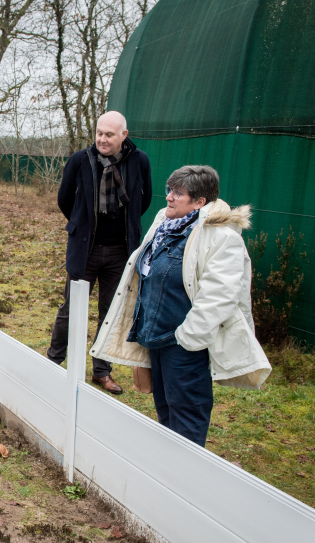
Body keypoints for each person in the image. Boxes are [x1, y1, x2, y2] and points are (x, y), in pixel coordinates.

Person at [89, 165, 271, 447]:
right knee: (166, 412)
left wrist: (187, 338)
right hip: (157, 340)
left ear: (200, 202)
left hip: (184, 346)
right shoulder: (167, 223)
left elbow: (219, 296)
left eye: (179, 193)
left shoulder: (221, 237)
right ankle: (168, 473)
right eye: (169, 190)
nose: (169, 197)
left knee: (187, 417)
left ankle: (185, 479)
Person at [48, 111, 152, 395]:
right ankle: (53, 361)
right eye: (99, 133)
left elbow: (145, 200)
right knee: (71, 309)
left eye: (109, 134)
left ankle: (102, 372)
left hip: (121, 252)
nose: (102, 140)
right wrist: (81, 224)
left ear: (123, 136)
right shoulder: (81, 160)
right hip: (86, 250)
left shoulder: (139, 161)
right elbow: (64, 199)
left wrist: (127, 228)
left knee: (110, 312)